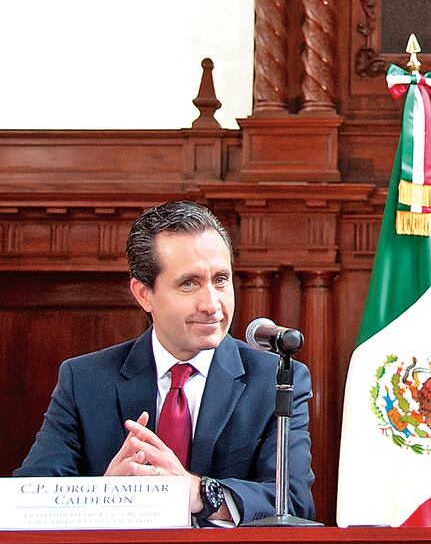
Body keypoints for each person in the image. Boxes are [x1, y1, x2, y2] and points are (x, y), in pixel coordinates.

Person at [15, 201, 316, 525]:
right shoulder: (84, 380)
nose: (211, 304)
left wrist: (198, 492)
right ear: (144, 294)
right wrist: (104, 496)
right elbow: (27, 503)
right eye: (189, 283)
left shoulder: (276, 379)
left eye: (220, 279)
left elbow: (293, 503)